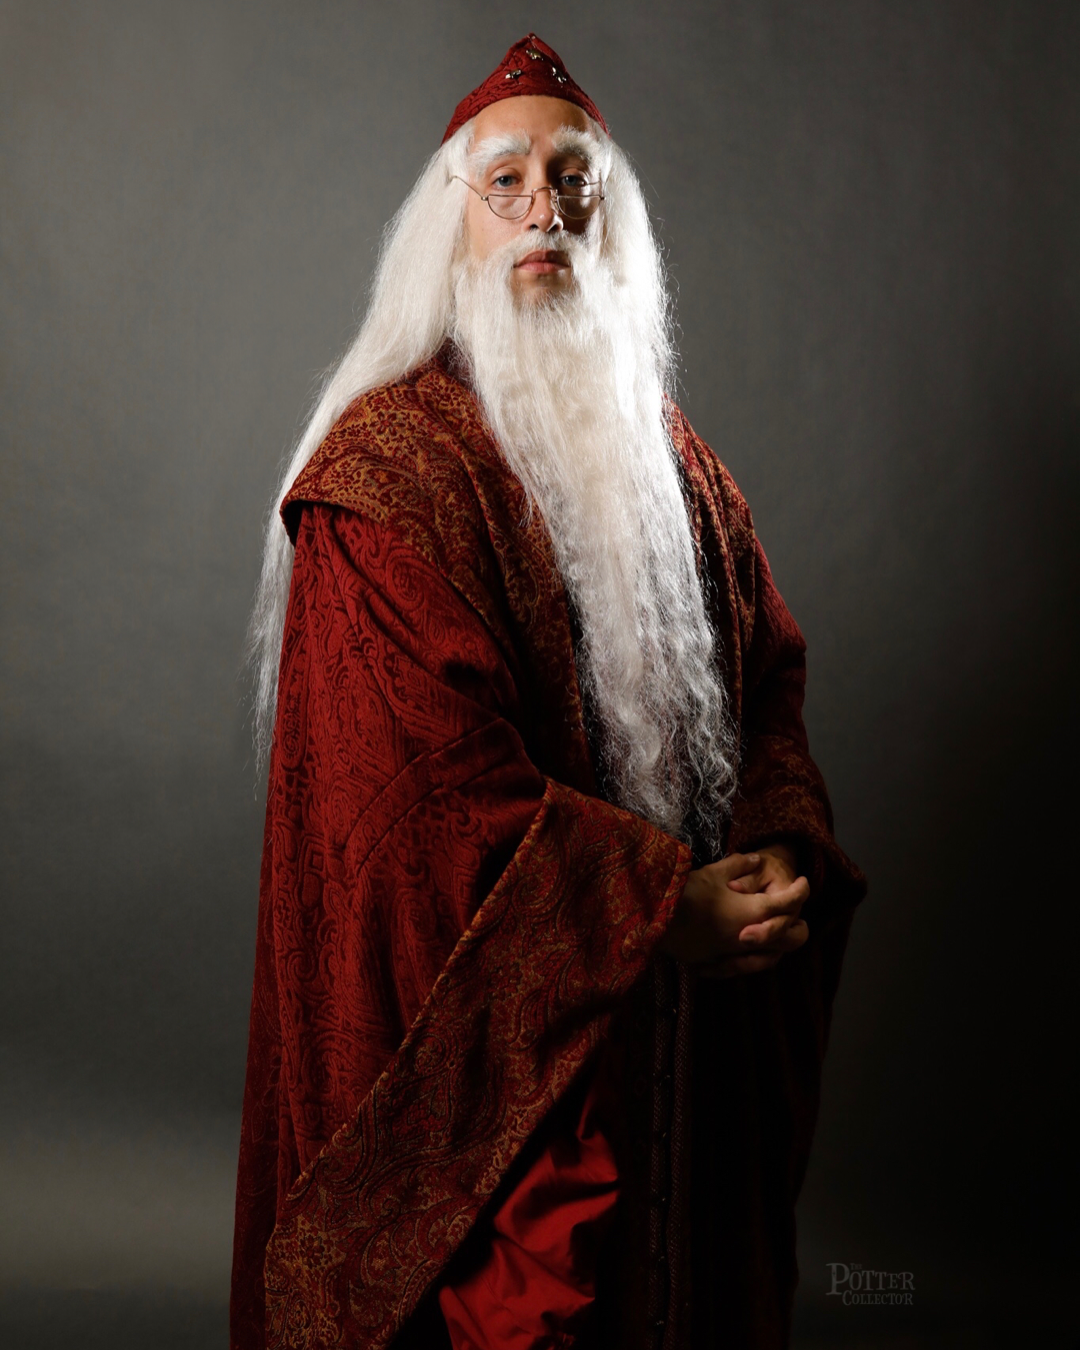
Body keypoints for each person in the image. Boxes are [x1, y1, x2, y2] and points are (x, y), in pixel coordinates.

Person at [231, 34, 865, 1350]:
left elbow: (769, 680)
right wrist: (657, 910)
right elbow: (418, 805)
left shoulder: (680, 467)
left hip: (675, 1034)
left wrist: (773, 845)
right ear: (451, 226)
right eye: (507, 179)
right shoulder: (383, 480)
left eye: (575, 179)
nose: (544, 210)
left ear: (609, 216)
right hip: (517, 1093)